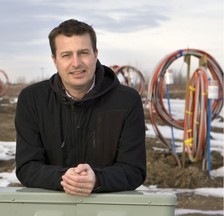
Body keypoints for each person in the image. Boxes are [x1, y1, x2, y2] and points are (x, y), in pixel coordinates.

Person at [15, 19, 146, 196]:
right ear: (54, 60)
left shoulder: (127, 101)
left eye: (83, 53)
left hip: (108, 208)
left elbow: (134, 170)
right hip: (50, 207)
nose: (76, 63)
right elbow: (27, 166)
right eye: (66, 55)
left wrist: (97, 179)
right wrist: (65, 178)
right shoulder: (32, 100)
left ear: (95, 54)